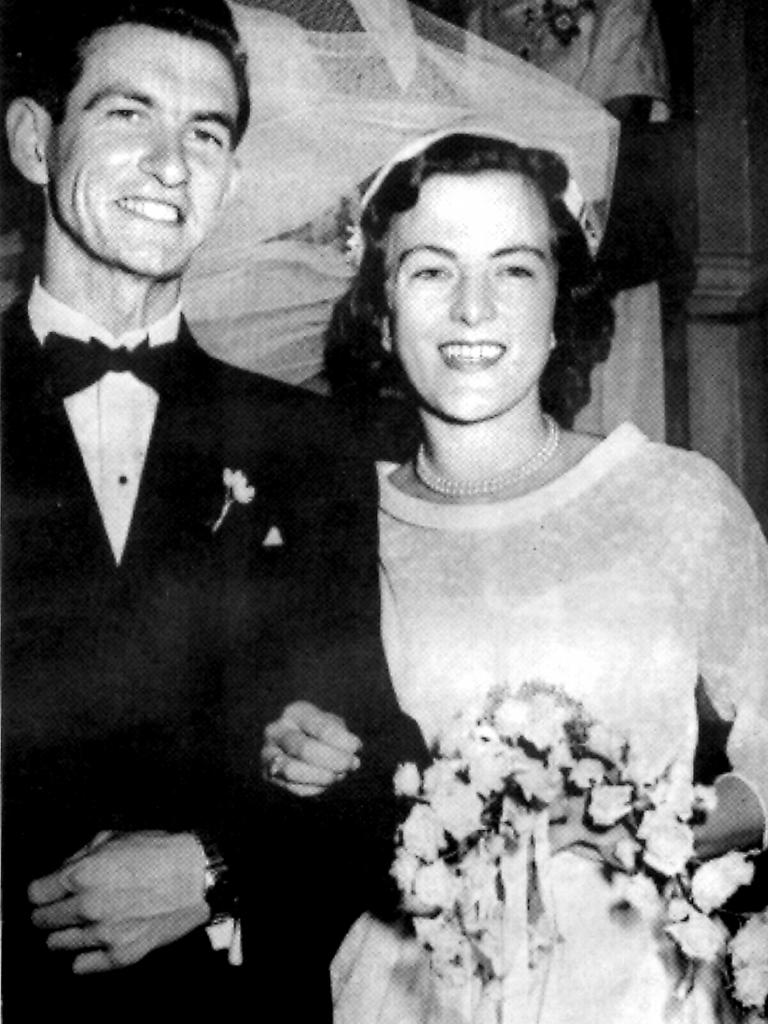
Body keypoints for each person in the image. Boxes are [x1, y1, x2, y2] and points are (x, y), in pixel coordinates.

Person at [266, 127, 768, 1023]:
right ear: (379, 312)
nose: (472, 310)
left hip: (634, 993)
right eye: (430, 269)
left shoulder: (672, 497)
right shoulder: (331, 528)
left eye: (512, 269)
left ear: (560, 304)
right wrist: (292, 755)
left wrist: (624, 831)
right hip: (406, 994)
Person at [1, 2, 425, 1020]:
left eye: (205, 134)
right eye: (126, 114)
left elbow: (378, 769)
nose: (169, 163)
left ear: (232, 176)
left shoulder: (311, 446)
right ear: (32, 139)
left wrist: (216, 868)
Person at [462, 0, 671, 442]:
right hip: (511, 237)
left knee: (609, 412)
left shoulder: (618, 8)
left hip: (600, 240)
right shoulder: (485, 15)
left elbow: (621, 124)